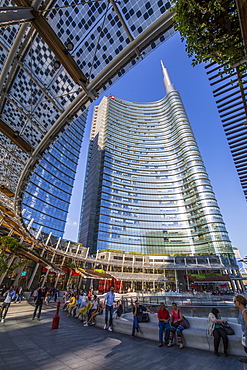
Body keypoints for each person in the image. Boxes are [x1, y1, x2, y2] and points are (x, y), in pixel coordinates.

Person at [234, 294, 247, 363]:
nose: (234, 303)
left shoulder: (245, 312)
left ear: (239, 302)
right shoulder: (241, 311)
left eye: (235, 301)